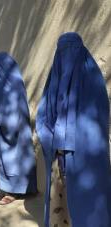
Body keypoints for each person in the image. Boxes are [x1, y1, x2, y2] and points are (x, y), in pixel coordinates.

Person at [36, 32, 111, 227]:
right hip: (56, 155)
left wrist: (70, 138)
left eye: (70, 51)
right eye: (61, 52)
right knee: (59, 203)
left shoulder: (92, 78)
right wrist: (52, 138)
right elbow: (43, 114)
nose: (65, 57)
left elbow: (96, 123)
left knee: (86, 202)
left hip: (84, 157)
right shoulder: (55, 75)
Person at [0, 52, 37, 205]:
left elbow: (14, 107)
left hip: (13, 125)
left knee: (14, 158)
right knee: (10, 158)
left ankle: (14, 191)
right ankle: (15, 187)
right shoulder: (8, 80)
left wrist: (5, 123)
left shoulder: (12, 83)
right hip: (4, 122)